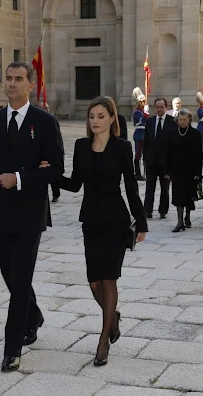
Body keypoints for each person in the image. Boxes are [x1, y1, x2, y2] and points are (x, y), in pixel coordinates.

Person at [0, 61, 64, 373]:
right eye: (8, 78)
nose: (11, 84)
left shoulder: (45, 122)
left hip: (30, 213)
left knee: (20, 279)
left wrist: (20, 178)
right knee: (10, 275)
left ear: (30, 84)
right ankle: (33, 316)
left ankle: (13, 348)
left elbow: (57, 171)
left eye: (18, 79)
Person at [57, 96, 147, 366]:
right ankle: (113, 317)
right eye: (91, 116)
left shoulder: (122, 148)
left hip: (116, 221)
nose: (94, 121)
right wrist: (50, 175)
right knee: (94, 282)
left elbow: (131, 187)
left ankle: (103, 338)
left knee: (109, 280)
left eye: (100, 116)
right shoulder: (81, 146)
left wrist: (140, 222)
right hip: (91, 222)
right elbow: (75, 185)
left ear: (111, 119)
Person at [166, 109, 203, 232]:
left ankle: (187, 217)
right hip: (176, 170)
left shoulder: (195, 134)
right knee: (178, 196)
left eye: (184, 120)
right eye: (180, 120)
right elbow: (168, 153)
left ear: (189, 120)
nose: (182, 122)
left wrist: (198, 172)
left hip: (191, 170)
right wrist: (167, 170)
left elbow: (199, 154)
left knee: (189, 195)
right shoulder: (171, 134)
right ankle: (179, 221)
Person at [143, 98, 174, 219]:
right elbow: (146, 141)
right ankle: (147, 210)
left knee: (164, 188)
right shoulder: (150, 121)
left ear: (166, 107)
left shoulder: (172, 122)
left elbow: (173, 144)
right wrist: (145, 158)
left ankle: (163, 210)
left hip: (165, 161)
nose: (160, 109)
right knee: (149, 186)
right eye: (157, 107)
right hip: (151, 160)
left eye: (162, 107)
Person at [132, 87, 148, 181]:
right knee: (138, 154)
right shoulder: (137, 113)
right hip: (139, 134)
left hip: (144, 133)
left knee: (146, 153)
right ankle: (137, 173)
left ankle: (146, 172)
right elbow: (140, 122)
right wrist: (145, 116)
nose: (144, 103)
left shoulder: (142, 111)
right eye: (143, 101)